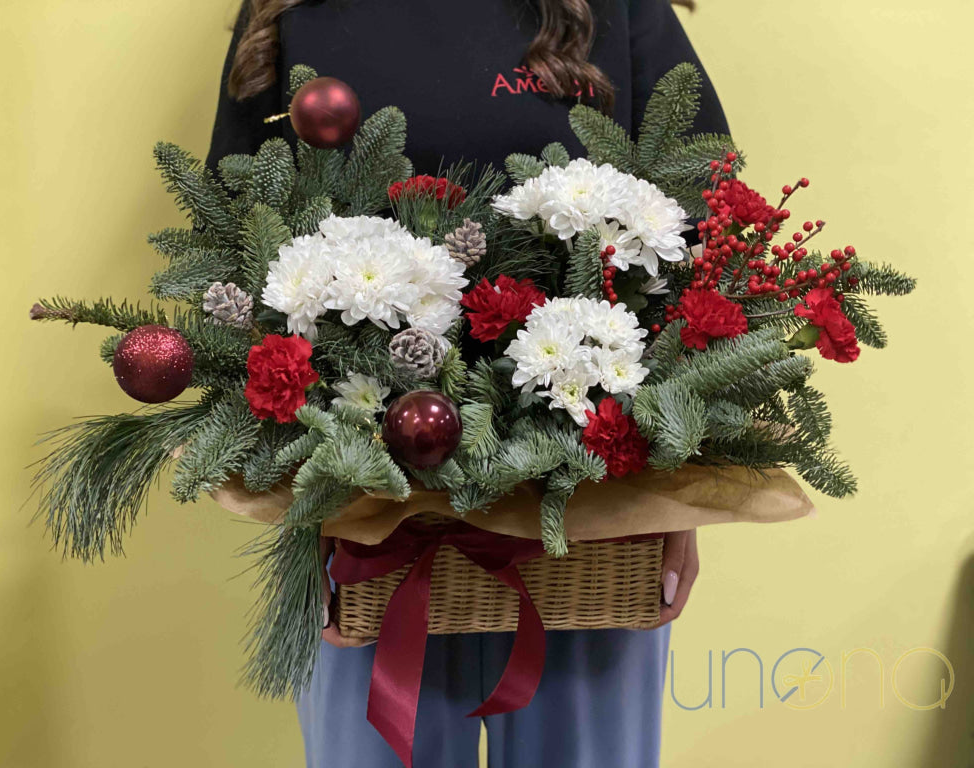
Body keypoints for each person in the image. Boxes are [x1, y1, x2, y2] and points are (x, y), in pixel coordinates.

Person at [206, 1, 723, 765]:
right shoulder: (294, 12)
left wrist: (679, 485)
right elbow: (234, 239)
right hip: (362, 526)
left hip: (584, 521)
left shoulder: (615, 9)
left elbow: (697, 230)